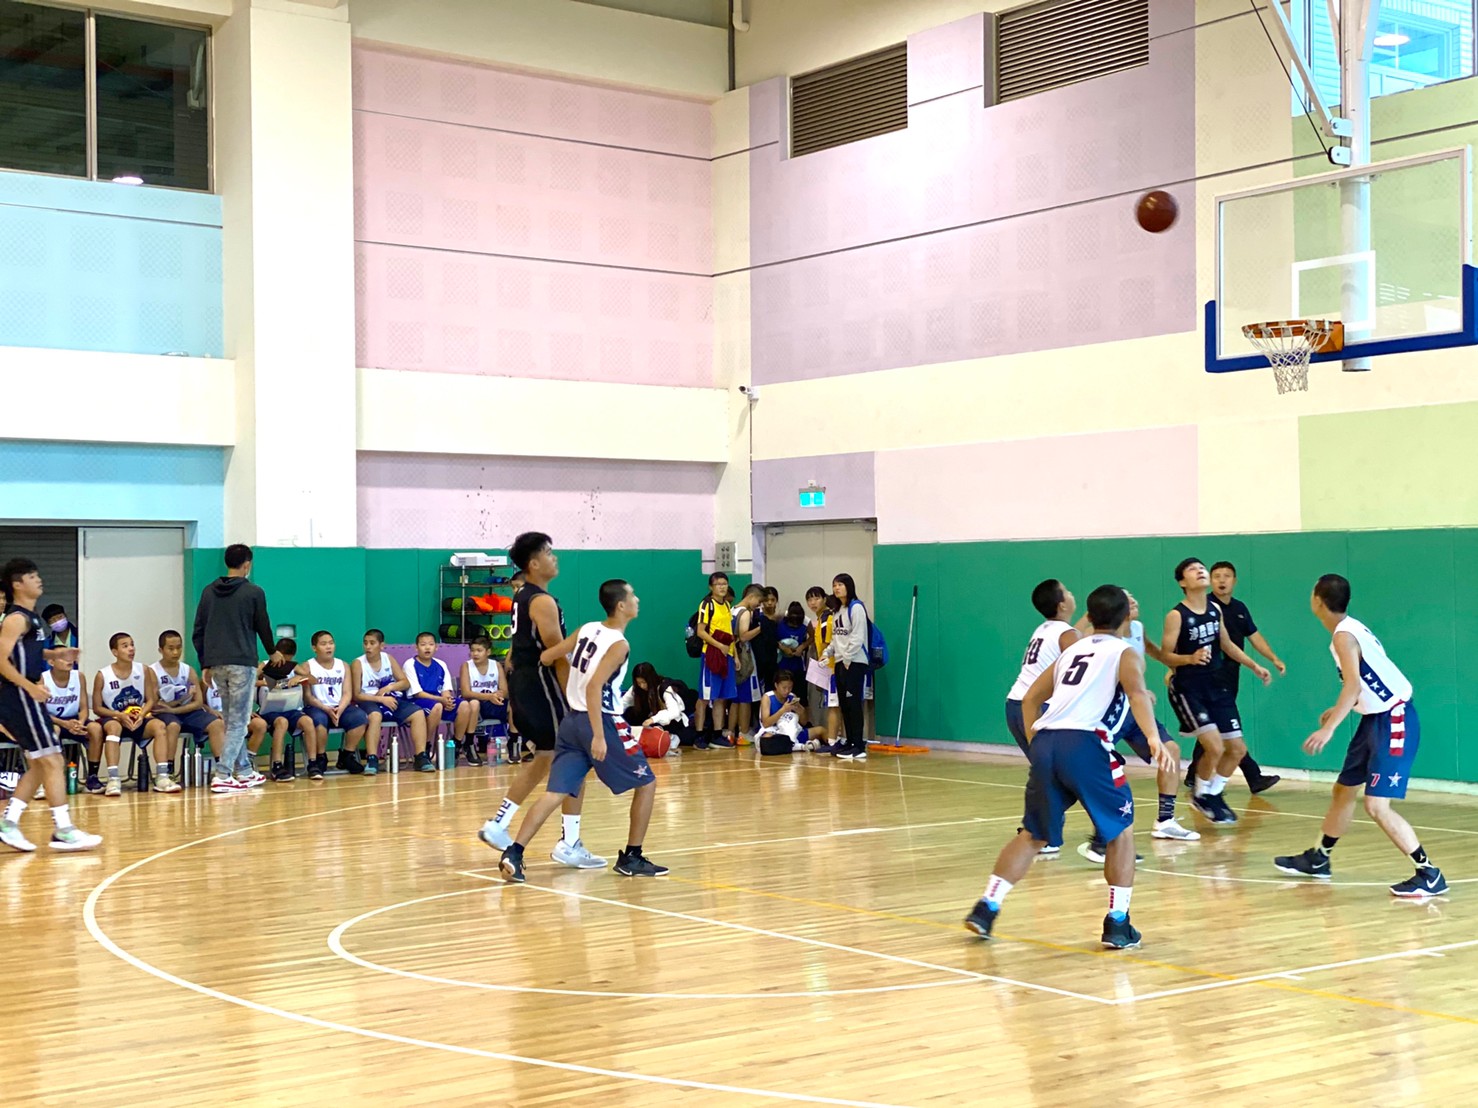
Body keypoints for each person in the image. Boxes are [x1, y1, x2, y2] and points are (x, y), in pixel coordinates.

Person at [964, 584, 1176, 949]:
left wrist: (1036, 739)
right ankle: (1118, 923)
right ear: (1125, 617)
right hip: (1086, 744)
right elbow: (1138, 694)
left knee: (1033, 834)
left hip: (1048, 741)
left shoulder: (1073, 650)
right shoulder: (1124, 652)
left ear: (1090, 616)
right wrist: (1153, 739)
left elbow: (1031, 698)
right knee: (1121, 832)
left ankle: (987, 907)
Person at [1274, 574, 1448, 898]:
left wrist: (1329, 727)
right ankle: (1320, 857)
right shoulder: (1351, 628)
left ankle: (1429, 873)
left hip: (1394, 720)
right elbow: (1370, 681)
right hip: (1374, 718)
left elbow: (1354, 684)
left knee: (1376, 806)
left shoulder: (1344, 636)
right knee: (1343, 790)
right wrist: (1341, 708)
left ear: (1317, 601)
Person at [498, 579, 667, 881]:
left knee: (555, 793)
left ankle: (515, 852)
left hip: (571, 722)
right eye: (633, 596)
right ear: (621, 606)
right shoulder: (619, 645)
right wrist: (599, 736)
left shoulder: (587, 629)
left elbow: (548, 656)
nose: (638, 600)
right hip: (601, 721)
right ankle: (632, 856)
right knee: (647, 784)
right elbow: (594, 687)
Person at [477, 532, 602, 869]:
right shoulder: (542, 601)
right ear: (533, 563)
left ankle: (499, 822)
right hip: (542, 686)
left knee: (546, 757)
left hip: (524, 684)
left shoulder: (522, 596)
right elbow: (556, 654)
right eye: (548, 552)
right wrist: (573, 696)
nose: (554, 557)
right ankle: (569, 843)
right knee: (575, 757)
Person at [1077, 592, 1199, 859]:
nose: (1133, 601)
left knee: (1171, 751)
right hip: (1107, 713)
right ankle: (1098, 837)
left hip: (1134, 711)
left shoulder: (1138, 629)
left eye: (1133, 597)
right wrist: (1138, 692)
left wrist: (1181, 664)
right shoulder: (1097, 638)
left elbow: (1154, 651)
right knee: (1105, 771)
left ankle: (1165, 820)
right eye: (1126, 599)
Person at [0, 559, 102, 852]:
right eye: (31, 576)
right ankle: (64, 830)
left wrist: (54, 654)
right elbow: (1, 659)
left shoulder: (32, 619)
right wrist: (30, 686)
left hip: (23, 695)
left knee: (40, 763)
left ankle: (9, 823)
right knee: (53, 759)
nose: (38, 579)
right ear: (18, 584)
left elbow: (26, 652)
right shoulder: (15, 619)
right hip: (19, 697)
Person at [1161, 558, 1271, 825]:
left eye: (1202, 568)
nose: (1200, 571)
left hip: (1217, 686)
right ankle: (1200, 794)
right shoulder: (1177, 615)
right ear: (1182, 582)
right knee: (1214, 746)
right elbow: (1165, 655)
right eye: (1192, 569)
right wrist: (1189, 658)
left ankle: (1214, 793)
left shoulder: (1214, 610)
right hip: (1189, 688)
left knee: (1237, 749)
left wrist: (1255, 665)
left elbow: (1228, 645)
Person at [1184, 561, 1286, 794]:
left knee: (1214, 728)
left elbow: (1254, 636)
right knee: (1226, 729)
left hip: (1231, 676)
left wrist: (1273, 658)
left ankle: (1193, 775)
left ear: (1234, 580)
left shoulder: (1239, 608)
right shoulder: (1205, 607)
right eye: (1217, 576)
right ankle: (1253, 777)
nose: (1222, 580)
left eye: (1227, 576)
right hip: (1208, 677)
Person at [191, 543, 286, 792]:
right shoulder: (253, 592)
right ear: (247, 564)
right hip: (242, 662)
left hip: (216, 663)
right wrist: (272, 651)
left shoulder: (208, 592)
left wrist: (205, 662)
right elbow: (262, 624)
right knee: (239, 722)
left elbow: (198, 630)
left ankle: (243, 770)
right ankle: (223, 774)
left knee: (232, 718)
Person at [1003, 579, 1080, 854]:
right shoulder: (1067, 634)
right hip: (1039, 709)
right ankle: (1040, 831)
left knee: (1048, 773)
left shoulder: (1046, 629)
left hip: (1015, 705)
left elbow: (1077, 635)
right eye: (1067, 591)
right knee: (1063, 776)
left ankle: (1038, 830)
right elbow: (1081, 657)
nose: (1072, 593)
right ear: (1062, 604)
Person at [93, 632, 176, 794]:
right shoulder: (103, 675)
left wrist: (141, 714)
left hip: (137, 718)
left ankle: (162, 777)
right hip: (115, 718)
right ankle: (113, 779)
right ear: (115, 652)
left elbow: (150, 699)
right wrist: (119, 715)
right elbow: (97, 708)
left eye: (132, 645)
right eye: (125, 646)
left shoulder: (143, 670)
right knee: (113, 728)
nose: (131, 649)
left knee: (159, 726)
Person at [152, 629, 225, 782]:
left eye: (179, 647)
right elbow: (154, 703)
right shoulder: (153, 671)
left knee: (217, 724)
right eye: (171, 648)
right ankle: (168, 771)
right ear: (161, 650)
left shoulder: (188, 670)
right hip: (165, 714)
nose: (175, 652)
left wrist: (175, 708)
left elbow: (198, 702)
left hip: (187, 711)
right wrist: (173, 707)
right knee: (173, 726)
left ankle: (222, 770)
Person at [300, 631, 371, 778]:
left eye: (331, 643)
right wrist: (326, 709)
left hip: (340, 706)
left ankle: (347, 755)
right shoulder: (307, 667)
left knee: (360, 717)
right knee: (318, 721)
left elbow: (347, 693)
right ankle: (320, 757)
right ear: (314, 648)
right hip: (317, 707)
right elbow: (308, 696)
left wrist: (340, 709)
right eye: (323, 644)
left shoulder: (343, 665)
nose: (328, 647)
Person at [349, 628, 412, 775]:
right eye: (365, 643)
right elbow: (357, 695)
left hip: (389, 698)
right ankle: (372, 758)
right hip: (368, 700)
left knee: (418, 714)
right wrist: (380, 698)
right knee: (375, 716)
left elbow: (405, 682)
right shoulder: (358, 663)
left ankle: (421, 755)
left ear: (382, 645)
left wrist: (390, 687)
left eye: (372, 643)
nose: (368, 647)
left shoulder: (388, 659)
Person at [823, 573, 871, 761]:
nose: (836, 588)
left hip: (854, 662)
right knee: (844, 705)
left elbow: (858, 637)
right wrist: (827, 653)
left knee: (854, 704)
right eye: (834, 585)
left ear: (849, 586)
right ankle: (850, 742)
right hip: (840, 663)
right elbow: (836, 639)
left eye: (840, 584)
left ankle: (859, 745)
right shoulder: (837, 611)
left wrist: (848, 658)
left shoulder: (856, 608)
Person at [693, 572, 737, 748]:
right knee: (705, 697)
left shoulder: (726, 605)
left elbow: (730, 633)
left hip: (727, 655)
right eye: (718, 584)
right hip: (712, 654)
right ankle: (699, 735)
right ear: (711, 587)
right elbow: (700, 632)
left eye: (725, 583)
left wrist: (735, 656)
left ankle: (717, 734)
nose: (722, 587)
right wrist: (719, 646)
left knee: (720, 697)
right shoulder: (706, 605)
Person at [42, 653, 103, 776]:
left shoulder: (79, 676)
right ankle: (54, 776)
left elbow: (84, 708)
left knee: (95, 728)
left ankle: (92, 776)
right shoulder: (43, 679)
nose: (69, 660)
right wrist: (64, 723)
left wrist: (80, 723)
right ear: (51, 662)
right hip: (53, 720)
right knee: (54, 730)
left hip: (74, 720)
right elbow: (41, 712)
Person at [405, 631, 456, 772]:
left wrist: (448, 699)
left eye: (431, 644)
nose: (427, 647)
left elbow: (446, 689)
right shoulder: (410, 664)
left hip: (439, 700)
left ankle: (459, 746)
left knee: (465, 706)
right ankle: (424, 747)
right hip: (418, 701)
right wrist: (442, 700)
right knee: (437, 707)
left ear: (436, 647)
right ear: (416, 647)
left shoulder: (441, 664)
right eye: (423, 644)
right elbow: (417, 693)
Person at [455, 633, 506, 765]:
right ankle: (470, 743)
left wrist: (498, 695)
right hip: (474, 704)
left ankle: (514, 743)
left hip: (492, 703)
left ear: (488, 652)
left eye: (479, 650)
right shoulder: (466, 666)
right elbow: (466, 693)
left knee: (514, 706)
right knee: (474, 703)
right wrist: (489, 696)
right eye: (472, 650)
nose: (475, 654)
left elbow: (505, 691)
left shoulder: (496, 665)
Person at [622, 661, 693, 748]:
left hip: (671, 722)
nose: (642, 686)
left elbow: (674, 712)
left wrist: (653, 719)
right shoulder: (636, 689)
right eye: (639, 683)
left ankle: (672, 737)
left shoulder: (664, 688)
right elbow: (623, 703)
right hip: (651, 718)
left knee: (656, 727)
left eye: (644, 682)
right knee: (629, 713)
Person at [755, 670, 827, 754]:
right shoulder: (767, 697)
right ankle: (801, 746)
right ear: (776, 685)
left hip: (791, 731)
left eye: (790, 688)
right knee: (768, 739)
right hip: (773, 731)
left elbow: (803, 723)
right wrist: (783, 710)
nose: (787, 691)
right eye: (784, 688)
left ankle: (832, 744)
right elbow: (766, 723)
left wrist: (800, 710)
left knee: (821, 730)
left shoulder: (792, 696)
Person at [730, 584, 766, 743]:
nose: (758, 605)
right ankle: (743, 733)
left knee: (735, 699)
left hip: (733, 656)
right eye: (759, 601)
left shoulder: (732, 610)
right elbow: (744, 636)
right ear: (752, 597)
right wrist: (761, 628)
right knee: (746, 698)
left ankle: (730, 732)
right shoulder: (744, 612)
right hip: (744, 658)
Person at [803, 588, 840, 743]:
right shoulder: (820, 619)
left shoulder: (826, 618)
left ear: (824, 599)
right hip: (828, 668)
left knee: (834, 706)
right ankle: (838, 738)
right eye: (810, 600)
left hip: (832, 669)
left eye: (816, 598)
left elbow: (827, 644)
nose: (813, 603)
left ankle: (834, 740)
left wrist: (824, 667)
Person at [754, 586, 781, 697]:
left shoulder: (781, 618)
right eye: (766, 600)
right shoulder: (756, 616)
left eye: (772, 600)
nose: (769, 603)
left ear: (776, 600)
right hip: (759, 658)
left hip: (775, 658)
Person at [776, 601, 809, 687]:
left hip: (797, 664)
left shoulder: (805, 624)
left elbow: (812, 637)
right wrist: (782, 647)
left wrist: (802, 646)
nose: (795, 623)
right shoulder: (779, 622)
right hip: (780, 663)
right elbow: (771, 638)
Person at [40, 604, 78, 671]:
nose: (57, 621)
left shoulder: (79, 636)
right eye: (53, 620)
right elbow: (44, 667)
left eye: (60, 617)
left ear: (65, 616)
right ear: (48, 624)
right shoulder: (47, 644)